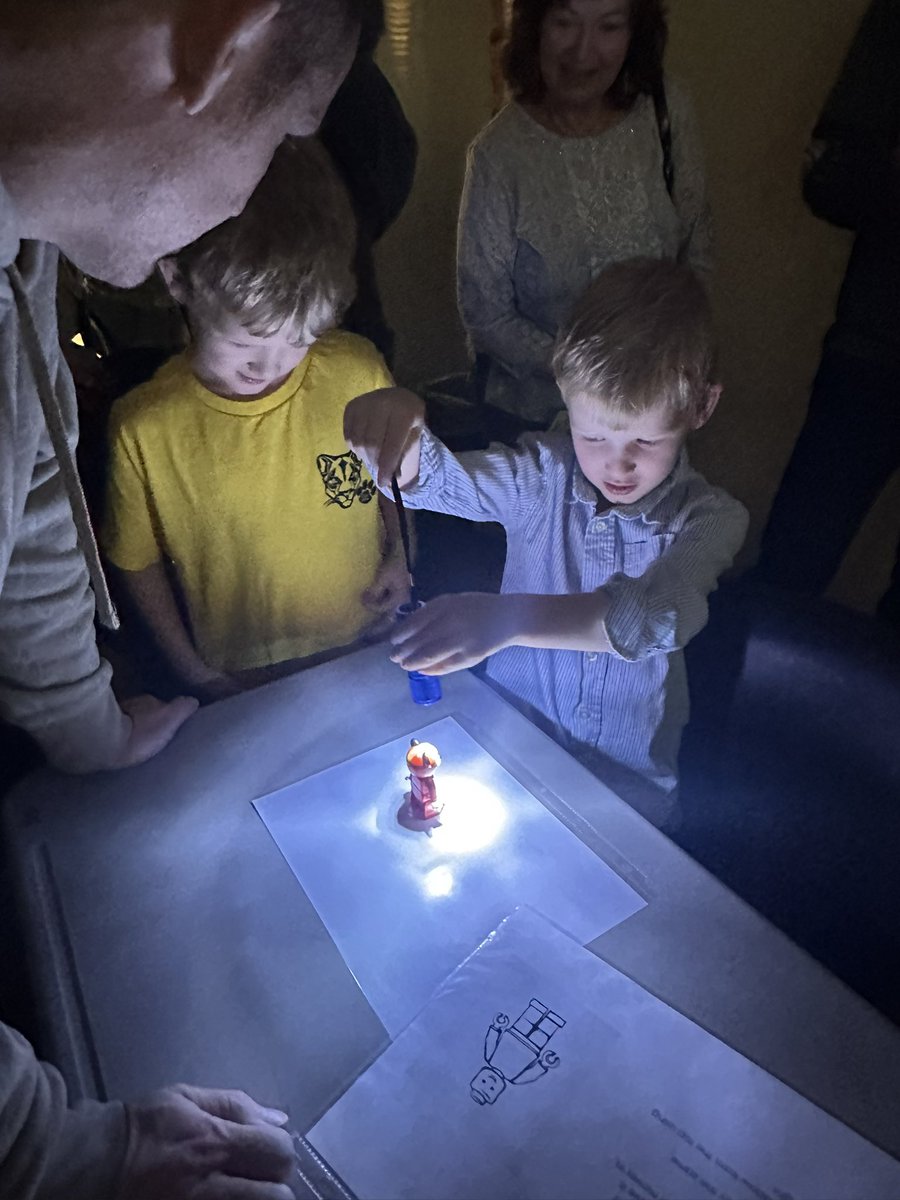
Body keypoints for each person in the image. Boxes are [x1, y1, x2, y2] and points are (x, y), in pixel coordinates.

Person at [1, 0, 360, 1196]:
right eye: (284, 133)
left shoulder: (24, 244)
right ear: (227, 36)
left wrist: (82, 726)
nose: (226, 213)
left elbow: (41, 488)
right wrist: (45, 1149)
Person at [346, 259, 747, 826]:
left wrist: (509, 618)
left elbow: (660, 615)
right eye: (594, 435)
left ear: (701, 407)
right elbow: (443, 484)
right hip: (513, 754)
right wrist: (401, 432)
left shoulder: (710, 518)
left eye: (646, 439)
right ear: (565, 394)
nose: (619, 462)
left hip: (628, 788)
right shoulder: (540, 476)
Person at [102, 137, 406, 702]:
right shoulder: (144, 429)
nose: (272, 367)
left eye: (301, 341)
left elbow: (396, 478)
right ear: (178, 280)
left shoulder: (356, 369)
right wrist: (193, 672)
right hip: (242, 677)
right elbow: (136, 565)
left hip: (368, 641)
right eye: (245, 344)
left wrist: (403, 555)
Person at [457, 0, 713, 431]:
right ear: (535, 27)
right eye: (564, 22)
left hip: (648, 421)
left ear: (635, 35)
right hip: (532, 426)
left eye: (609, 27)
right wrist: (599, 374)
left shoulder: (666, 115)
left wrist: (665, 363)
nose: (582, 52)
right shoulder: (498, 155)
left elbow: (697, 251)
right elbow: (486, 316)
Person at [754, 0, 900, 626]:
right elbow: (828, 174)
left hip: (871, 343)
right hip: (877, 348)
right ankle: (736, 717)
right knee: (790, 571)